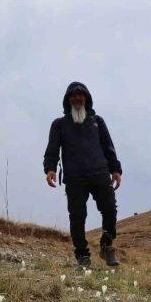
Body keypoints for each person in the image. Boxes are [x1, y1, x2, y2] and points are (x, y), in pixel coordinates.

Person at [43, 81, 122, 269]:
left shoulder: (97, 122)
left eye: (81, 95)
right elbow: (52, 150)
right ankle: (83, 256)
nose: (77, 98)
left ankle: (106, 246)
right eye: (73, 96)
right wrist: (50, 169)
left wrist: (116, 169)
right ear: (68, 100)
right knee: (77, 217)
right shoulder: (59, 124)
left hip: (100, 173)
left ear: (86, 99)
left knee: (110, 209)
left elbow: (109, 147)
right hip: (74, 177)